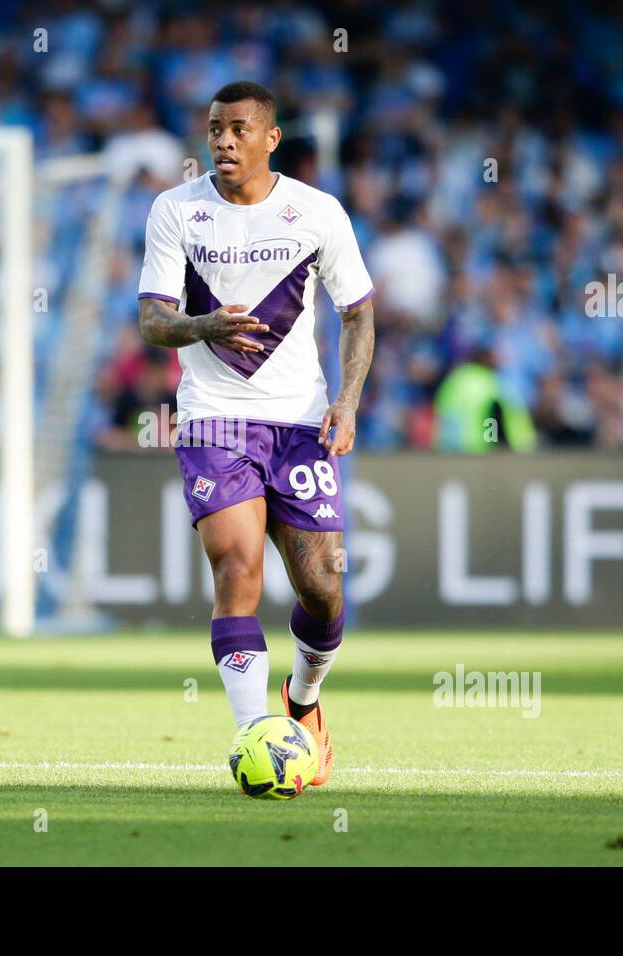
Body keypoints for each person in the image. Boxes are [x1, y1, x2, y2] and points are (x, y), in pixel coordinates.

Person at [136, 81, 375, 786]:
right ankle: (254, 735)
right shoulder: (176, 211)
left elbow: (358, 312)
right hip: (215, 420)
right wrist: (204, 326)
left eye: (239, 129)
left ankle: (301, 702)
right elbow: (153, 320)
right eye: (214, 129)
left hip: (301, 422)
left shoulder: (317, 213)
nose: (223, 142)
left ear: (271, 137)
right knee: (237, 569)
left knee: (323, 584)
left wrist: (350, 400)